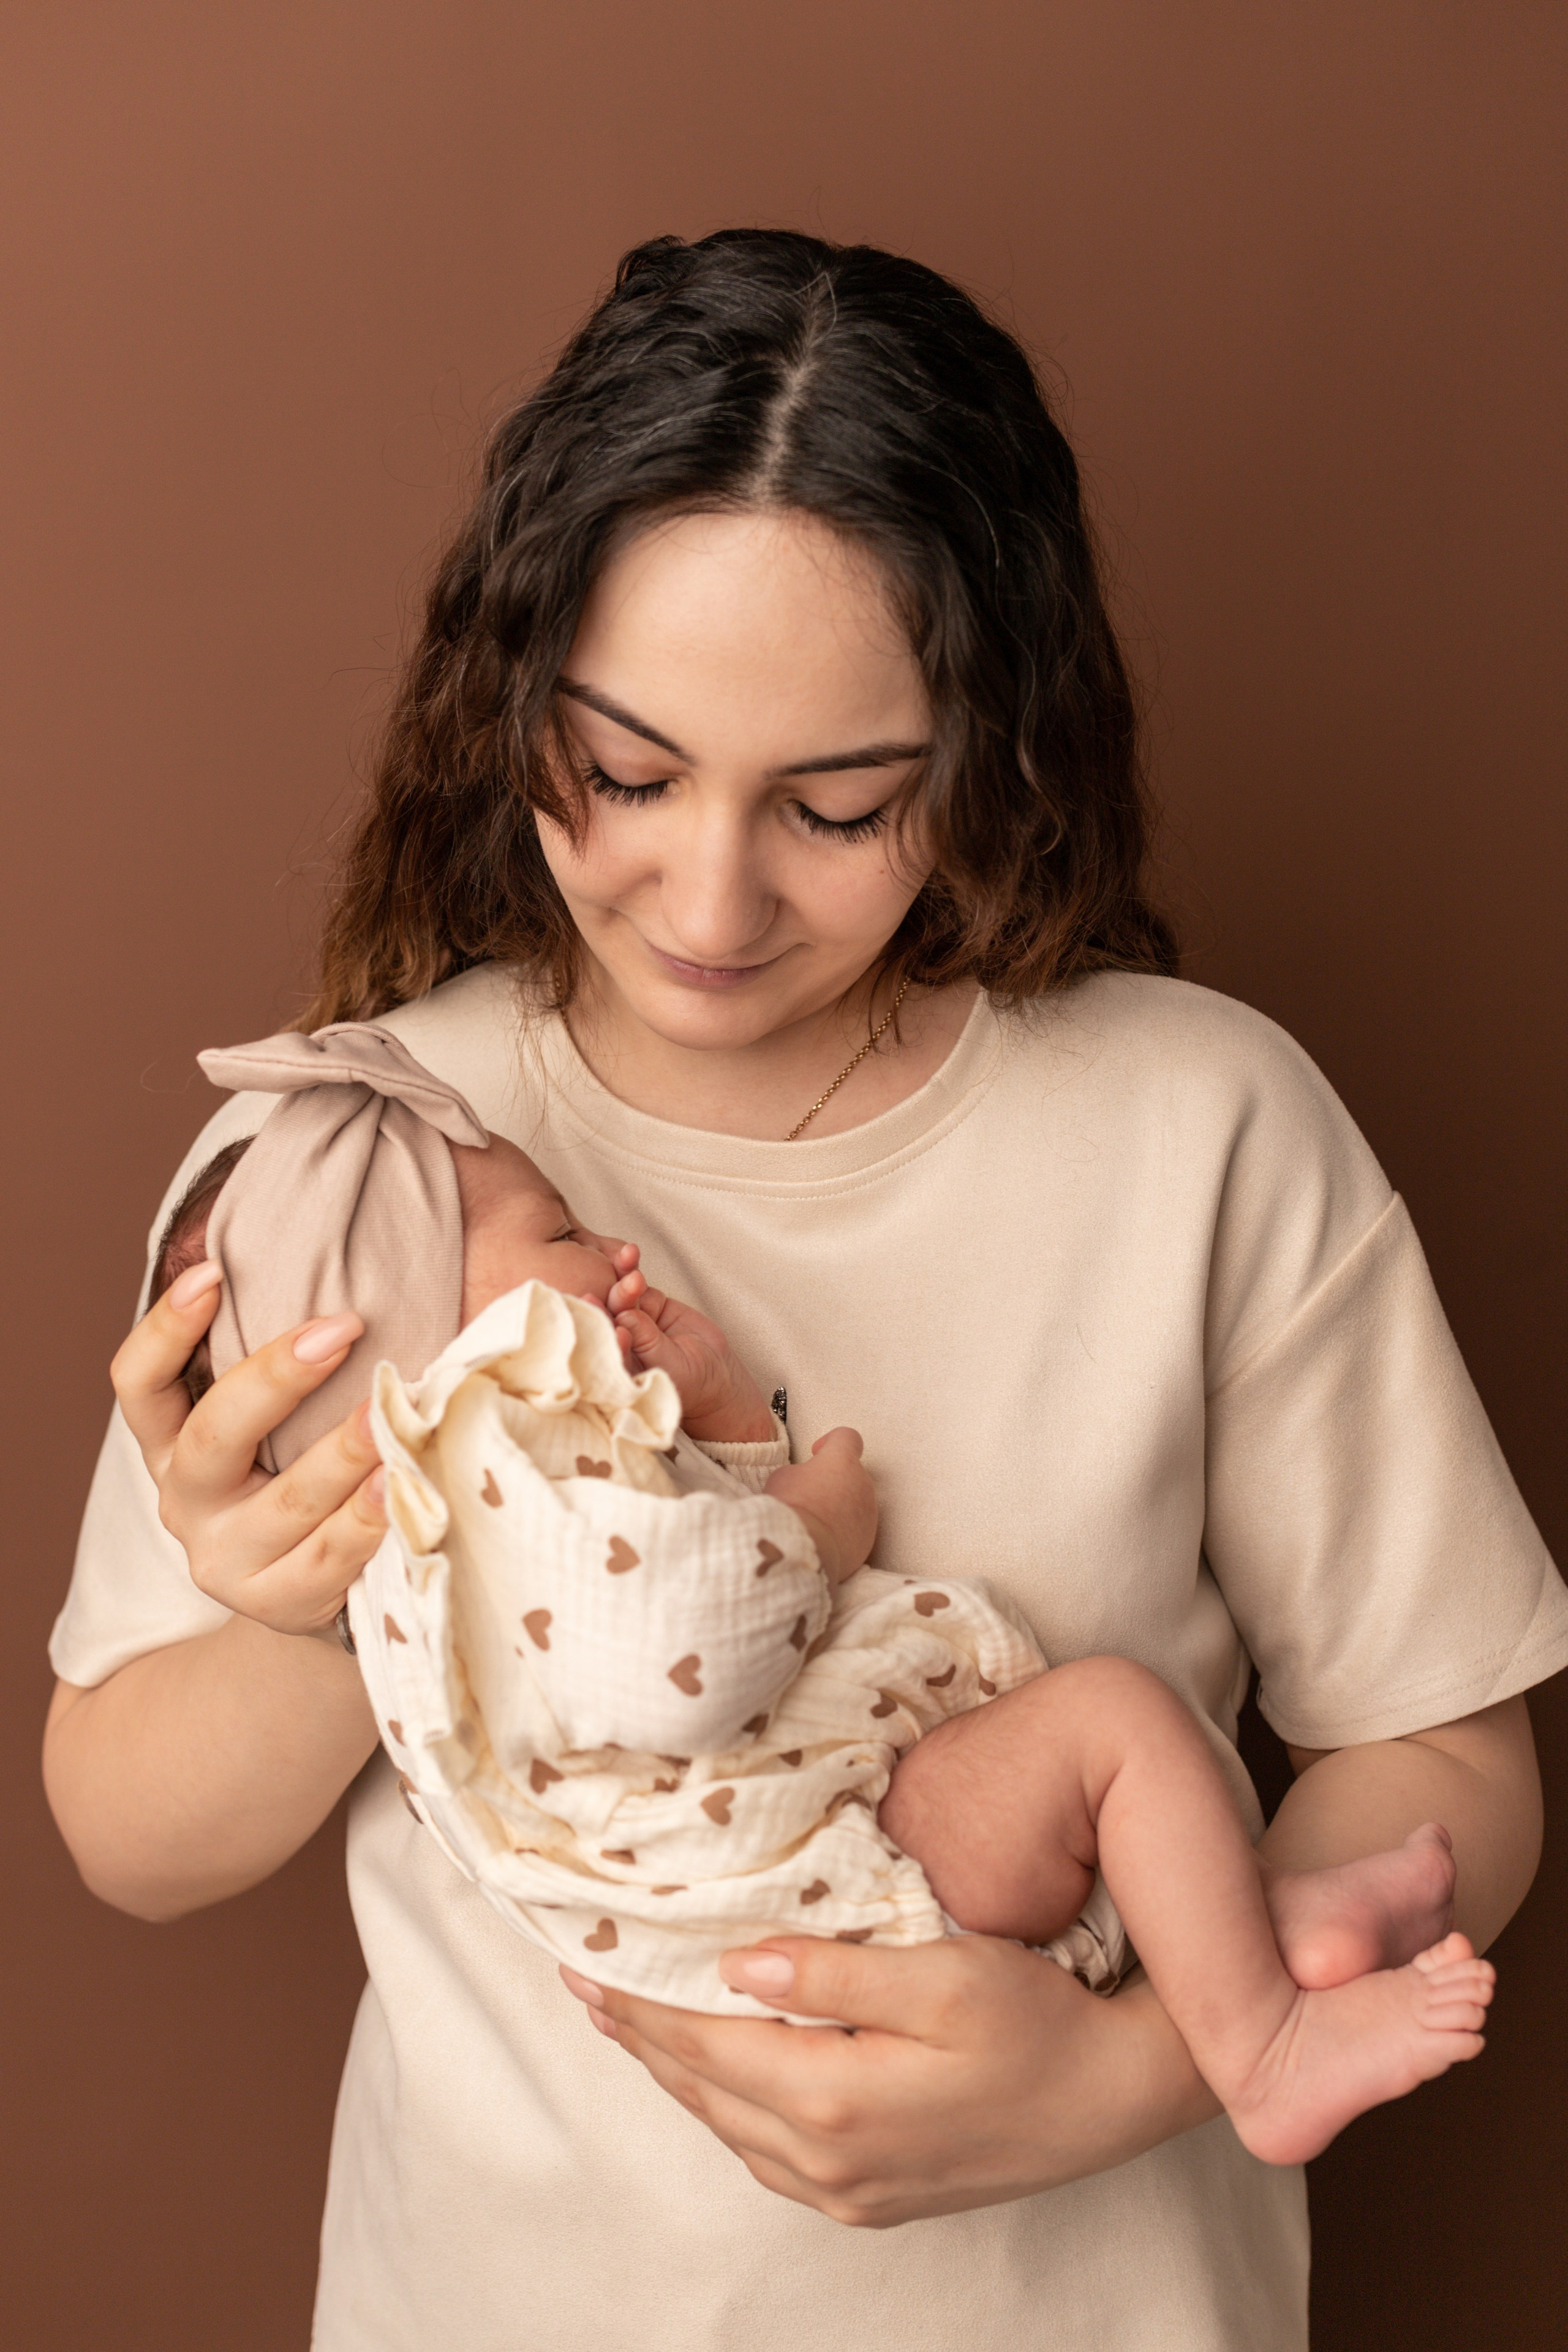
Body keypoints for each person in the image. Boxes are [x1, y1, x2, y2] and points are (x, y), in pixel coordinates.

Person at [43, 229, 1564, 2351]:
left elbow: (1455, 1772)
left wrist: (1111, 2086)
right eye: (629, 775)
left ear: (999, 747)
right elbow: (128, 1828)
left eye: (844, 807)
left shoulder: (1202, 1123)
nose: (713, 897)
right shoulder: (367, 1152)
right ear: (512, 702)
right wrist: (375, 1566)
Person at [156, 1023, 1492, 2163]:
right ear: (424, 1338)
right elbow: (678, 1647)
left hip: (819, 1870)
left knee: (1100, 1776)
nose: (606, 1244)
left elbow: (645, 1574)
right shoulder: (486, 1429)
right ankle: (1261, 2053)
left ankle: (1249, 1940)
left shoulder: (1206, 1105)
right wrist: (818, 1523)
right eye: (558, 1230)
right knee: (1112, 1728)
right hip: (835, 1870)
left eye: (833, 805)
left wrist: (729, 1420)